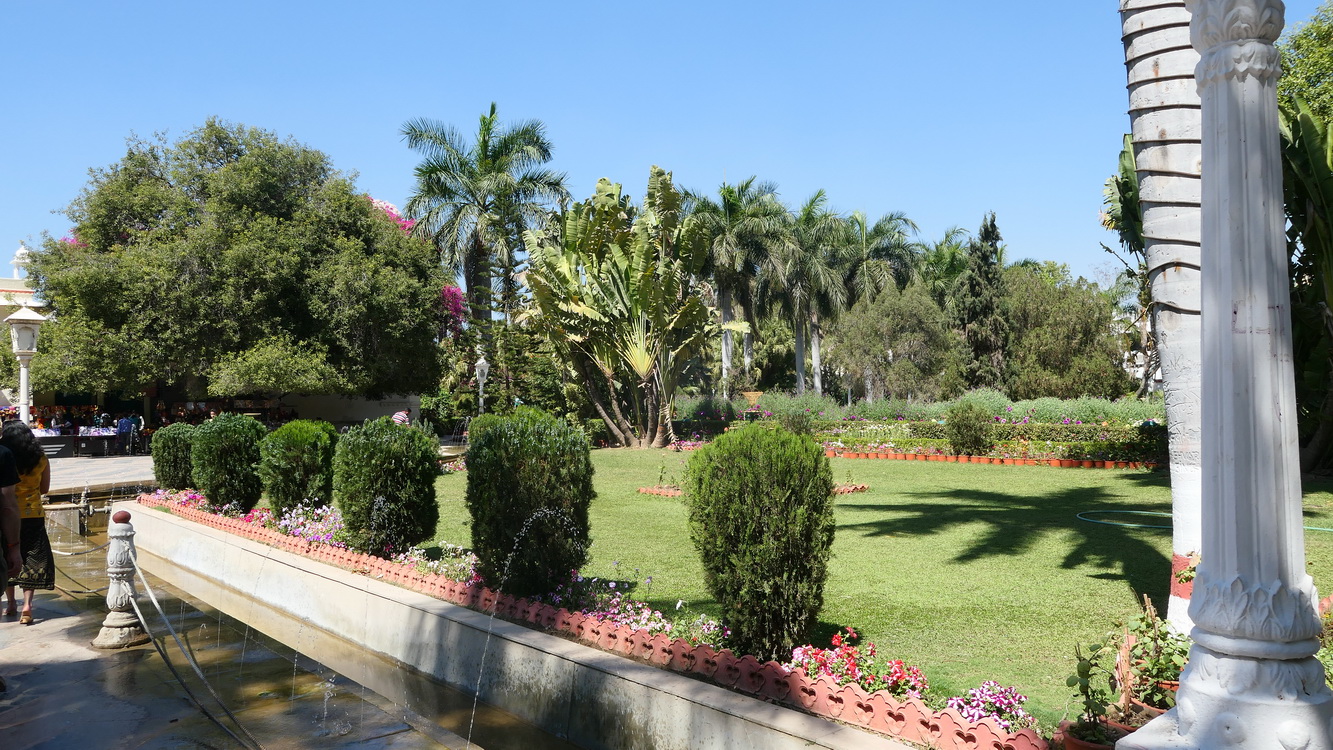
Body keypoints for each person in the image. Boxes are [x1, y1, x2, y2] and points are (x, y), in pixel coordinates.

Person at [2, 421, 51, 625]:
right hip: (33, 515)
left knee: (7, 557)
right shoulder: (40, 458)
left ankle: (11, 603)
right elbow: (45, 489)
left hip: (6, 517)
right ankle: (27, 606)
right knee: (32, 558)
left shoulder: (5, 458)